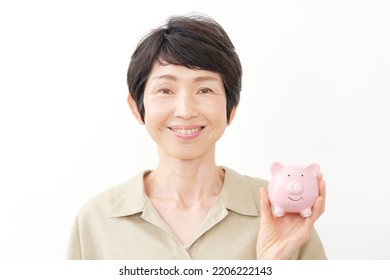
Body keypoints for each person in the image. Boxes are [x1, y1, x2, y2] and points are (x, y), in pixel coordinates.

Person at [66, 14, 327, 260]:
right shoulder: (96, 219)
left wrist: (271, 268)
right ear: (137, 107)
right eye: (165, 89)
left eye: (204, 89)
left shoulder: (282, 213)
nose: (185, 110)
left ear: (231, 109)